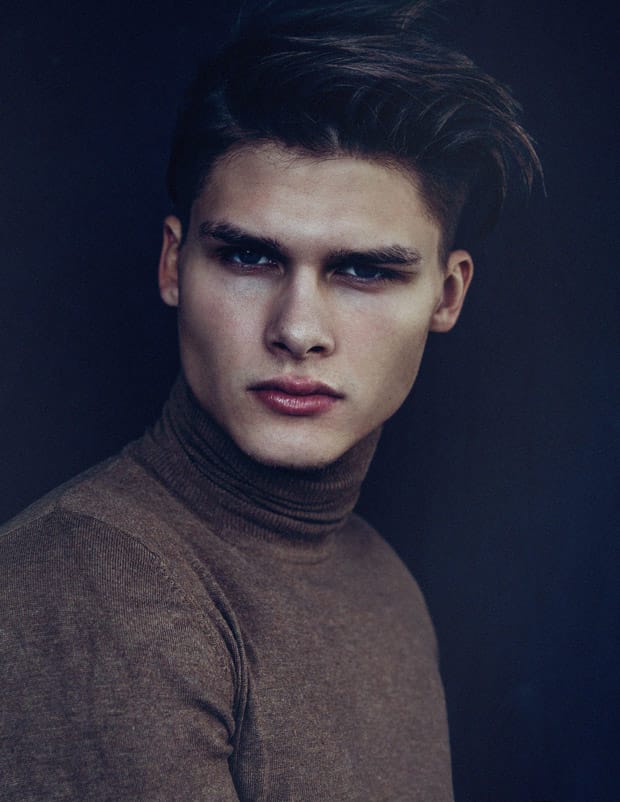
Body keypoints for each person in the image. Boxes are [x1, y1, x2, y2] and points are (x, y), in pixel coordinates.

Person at [0, 1, 540, 800]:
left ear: (448, 293)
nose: (298, 330)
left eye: (364, 271)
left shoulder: (383, 584)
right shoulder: (91, 585)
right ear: (174, 264)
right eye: (249, 258)